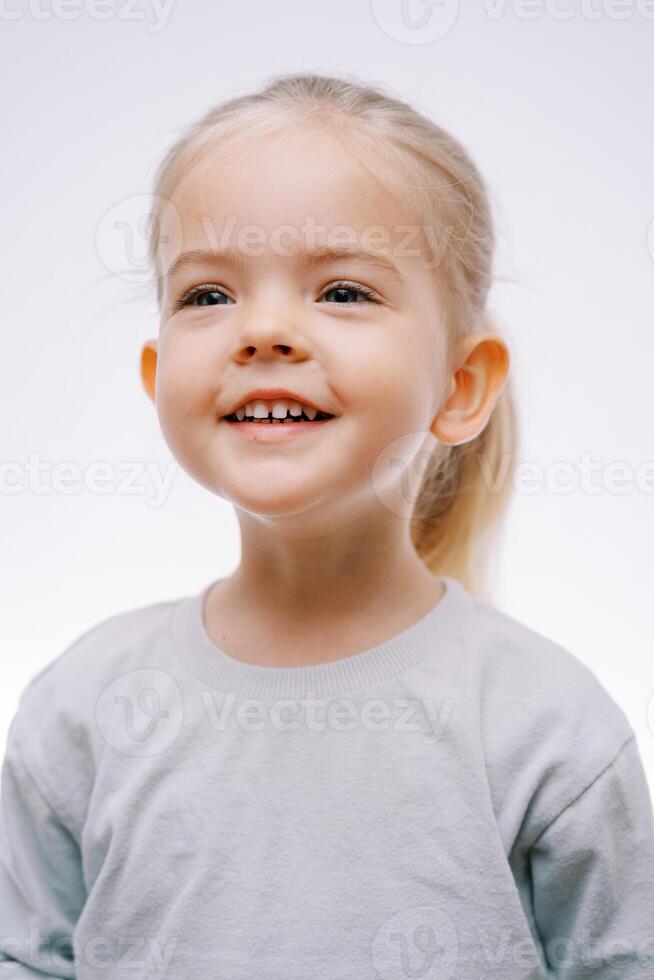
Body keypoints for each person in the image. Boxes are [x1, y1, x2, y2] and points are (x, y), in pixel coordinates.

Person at [1, 72, 653, 979]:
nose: (264, 330)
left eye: (343, 291)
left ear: (461, 387)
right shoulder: (82, 712)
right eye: (207, 296)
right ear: (157, 376)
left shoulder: (545, 726)